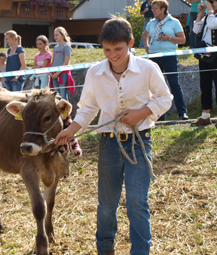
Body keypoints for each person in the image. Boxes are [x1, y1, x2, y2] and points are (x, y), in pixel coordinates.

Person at [55, 16, 173, 255]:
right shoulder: (95, 73)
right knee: (107, 204)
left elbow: (165, 98)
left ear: (130, 43)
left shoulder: (148, 68)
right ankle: (105, 248)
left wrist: (141, 112)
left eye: (118, 49)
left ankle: (140, 251)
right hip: (108, 144)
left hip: (139, 142)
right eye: (107, 49)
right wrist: (69, 130)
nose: (112, 54)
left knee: (137, 202)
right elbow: (88, 108)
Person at [142, 0, 189, 120]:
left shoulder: (174, 22)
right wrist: (146, 46)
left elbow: (183, 40)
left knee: (174, 84)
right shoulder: (151, 23)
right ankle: (159, 115)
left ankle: (182, 112)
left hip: (169, 56)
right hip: (153, 57)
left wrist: (169, 38)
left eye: (156, 8)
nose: (153, 11)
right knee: (156, 86)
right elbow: (145, 35)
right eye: (153, 8)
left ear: (163, 9)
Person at [191, 0, 217, 127]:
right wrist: (200, 13)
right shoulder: (208, 15)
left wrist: (209, 10)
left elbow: (213, 25)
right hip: (205, 55)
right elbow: (196, 29)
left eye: (211, 1)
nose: (209, 3)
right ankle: (205, 115)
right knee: (205, 84)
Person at [49, 27, 75, 101]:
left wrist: (57, 73)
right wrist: (50, 72)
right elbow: (53, 62)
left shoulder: (66, 47)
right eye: (54, 35)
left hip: (62, 74)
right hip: (54, 74)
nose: (55, 37)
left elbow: (66, 62)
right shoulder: (55, 47)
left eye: (57, 35)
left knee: (63, 96)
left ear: (63, 35)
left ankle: (66, 112)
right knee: (56, 96)